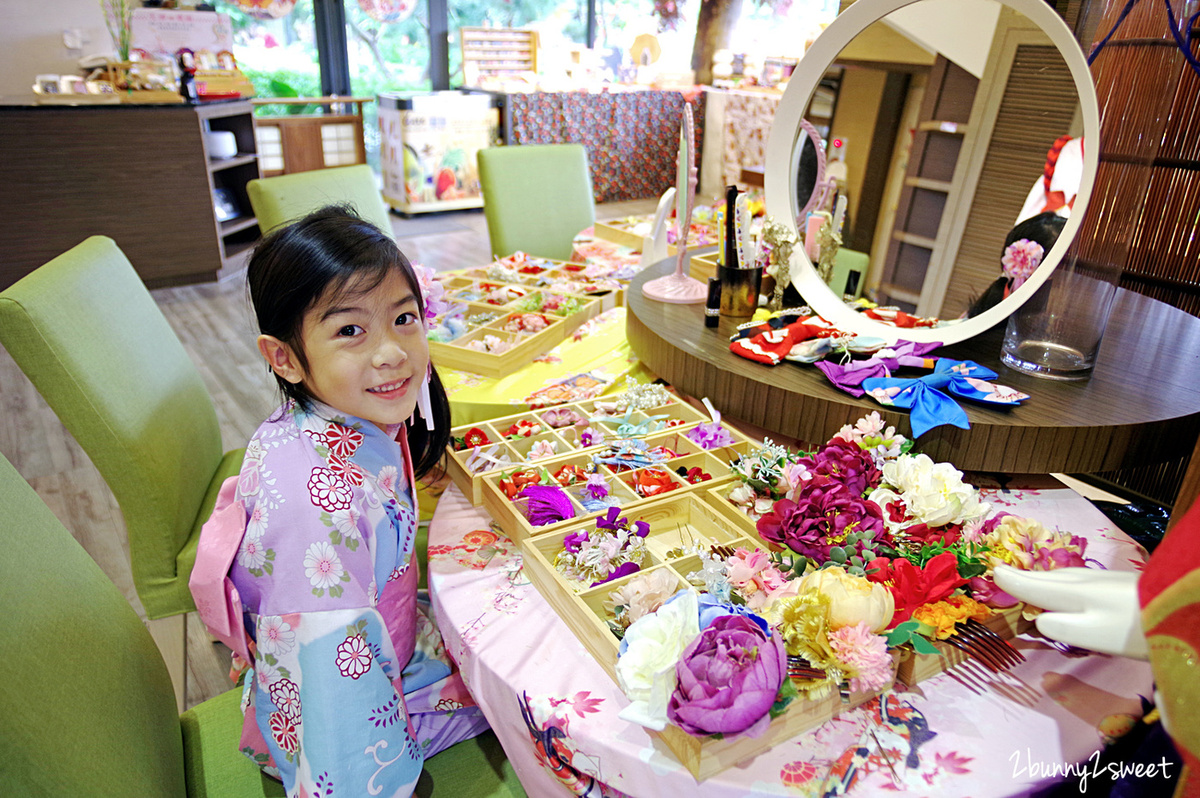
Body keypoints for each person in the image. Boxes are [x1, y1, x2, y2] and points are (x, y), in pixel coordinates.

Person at [189, 205, 488, 797]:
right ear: (285, 357)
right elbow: (333, 678)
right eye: (351, 330)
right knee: (522, 698)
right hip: (336, 709)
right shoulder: (318, 511)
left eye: (405, 318)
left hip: (370, 637)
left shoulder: (342, 411)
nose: (391, 352)